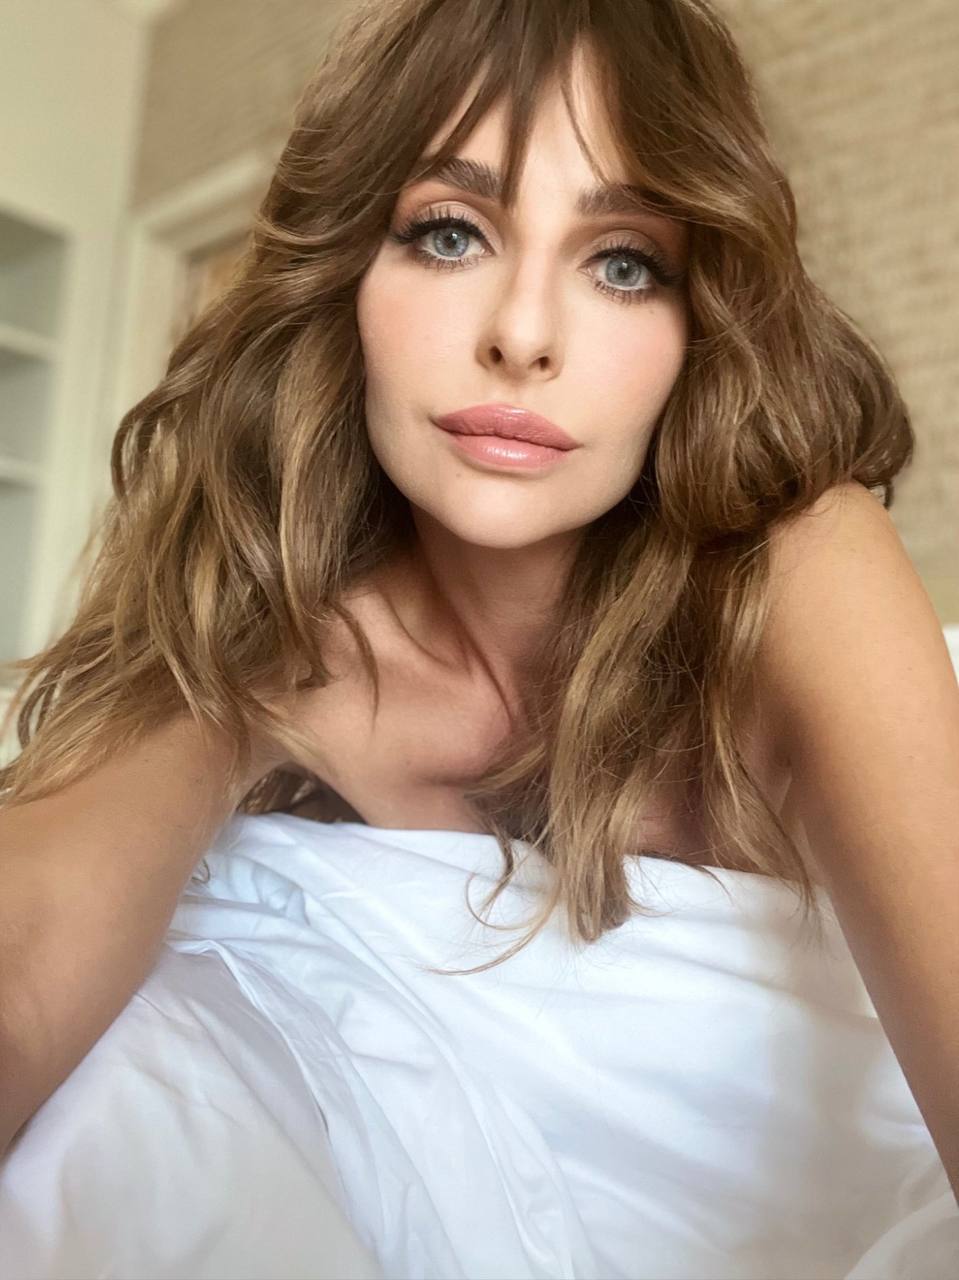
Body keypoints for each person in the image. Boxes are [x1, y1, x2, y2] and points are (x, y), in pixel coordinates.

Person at [1, 0, 957, 1224]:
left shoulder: (792, 572)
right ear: (348, 273)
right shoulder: (266, 636)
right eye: (450, 233)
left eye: (622, 262)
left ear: (699, 323)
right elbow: (25, 954)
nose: (520, 334)